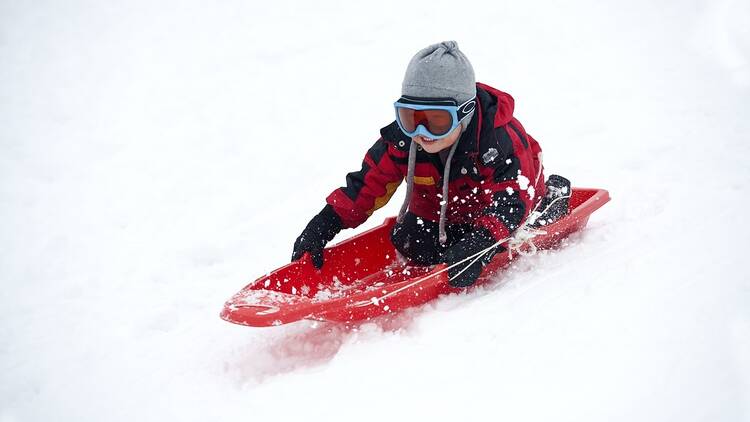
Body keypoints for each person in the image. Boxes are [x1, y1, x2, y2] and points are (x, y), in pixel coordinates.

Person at [291, 41, 569, 287]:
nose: (421, 132)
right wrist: (325, 223)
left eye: (437, 121)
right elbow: (368, 185)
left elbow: (512, 199)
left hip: (503, 206)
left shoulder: (498, 139)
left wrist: (483, 242)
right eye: (411, 118)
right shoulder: (405, 140)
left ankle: (552, 199)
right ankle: (461, 239)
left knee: (515, 229)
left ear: (465, 112)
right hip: (442, 212)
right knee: (411, 243)